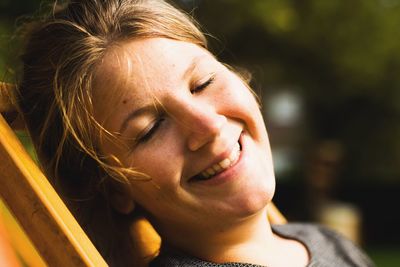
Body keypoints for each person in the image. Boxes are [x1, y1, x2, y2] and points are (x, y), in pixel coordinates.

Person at [14, 0, 374, 266]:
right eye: (150, 129)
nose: (209, 126)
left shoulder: (331, 245)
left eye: (203, 83)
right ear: (112, 187)